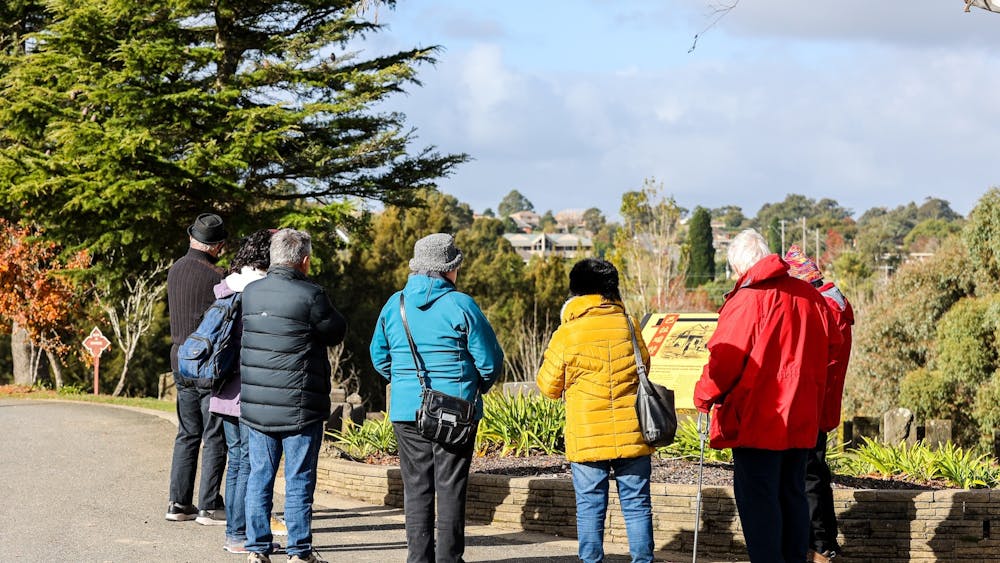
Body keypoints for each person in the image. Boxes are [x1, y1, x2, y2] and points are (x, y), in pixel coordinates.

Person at [693, 229, 843, 563]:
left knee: (760, 502)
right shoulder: (810, 297)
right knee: (792, 495)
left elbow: (724, 360)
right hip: (802, 417)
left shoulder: (747, 300)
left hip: (760, 418)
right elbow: (832, 349)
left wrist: (703, 395)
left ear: (739, 268)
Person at [369, 233, 504, 563]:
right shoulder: (461, 304)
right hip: (454, 412)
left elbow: (378, 355)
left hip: (406, 411)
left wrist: (403, 383)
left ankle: (418, 559)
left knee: (416, 489)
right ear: (448, 270)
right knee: (451, 488)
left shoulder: (394, 303)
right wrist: (473, 389)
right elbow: (490, 361)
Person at [536, 258, 655, 563]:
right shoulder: (629, 324)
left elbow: (549, 386)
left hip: (588, 435)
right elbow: (645, 365)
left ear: (575, 291)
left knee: (590, 505)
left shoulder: (568, 332)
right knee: (637, 504)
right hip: (633, 431)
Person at [240, 228, 348, 563]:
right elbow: (335, 331)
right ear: (304, 260)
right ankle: (299, 551)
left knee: (259, 477)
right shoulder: (312, 295)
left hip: (257, 408)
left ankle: (257, 549)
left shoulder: (251, 293)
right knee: (299, 479)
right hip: (301, 406)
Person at [207, 229, 286, 553]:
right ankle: (244, 535)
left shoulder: (229, 286)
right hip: (249, 388)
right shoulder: (257, 292)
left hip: (223, 387)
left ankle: (234, 535)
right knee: (253, 465)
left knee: (237, 461)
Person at [784, 245, 855, 563]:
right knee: (816, 472)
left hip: (811, 402)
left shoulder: (822, 307)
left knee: (809, 474)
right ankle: (825, 541)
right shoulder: (835, 303)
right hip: (823, 401)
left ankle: (820, 544)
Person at [165, 212, 229, 525]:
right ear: (217, 246)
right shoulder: (218, 276)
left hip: (179, 357)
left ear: (193, 238)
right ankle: (209, 505)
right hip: (207, 362)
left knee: (187, 433)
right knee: (214, 434)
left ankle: (178, 503)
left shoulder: (175, 269)